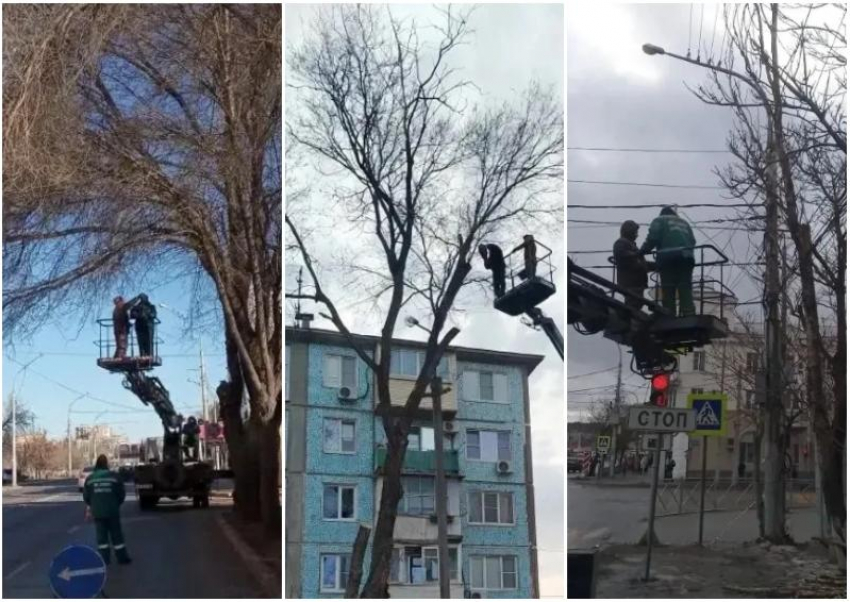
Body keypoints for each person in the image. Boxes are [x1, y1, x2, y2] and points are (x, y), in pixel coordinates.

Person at [640, 206, 697, 316]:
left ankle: (669, 313)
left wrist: (642, 251)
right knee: (685, 286)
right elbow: (693, 241)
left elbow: (652, 238)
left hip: (667, 258)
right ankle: (689, 312)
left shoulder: (659, 220)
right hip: (687, 258)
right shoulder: (685, 222)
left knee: (668, 287)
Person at [83, 455, 131, 565]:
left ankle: (104, 559)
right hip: (112, 511)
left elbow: (86, 496)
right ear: (106, 464)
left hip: (98, 513)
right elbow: (121, 494)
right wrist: (116, 504)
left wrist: (93, 505)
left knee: (102, 538)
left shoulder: (90, 479)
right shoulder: (114, 477)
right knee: (117, 536)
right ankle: (122, 558)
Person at [613, 220, 655, 310]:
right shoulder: (621, 242)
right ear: (629, 231)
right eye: (635, 232)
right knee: (633, 305)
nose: (637, 235)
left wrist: (655, 265)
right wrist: (638, 254)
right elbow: (621, 254)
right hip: (630, 282)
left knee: (637, 304)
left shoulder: (632, 245)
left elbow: (641, 262)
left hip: (636, 282)